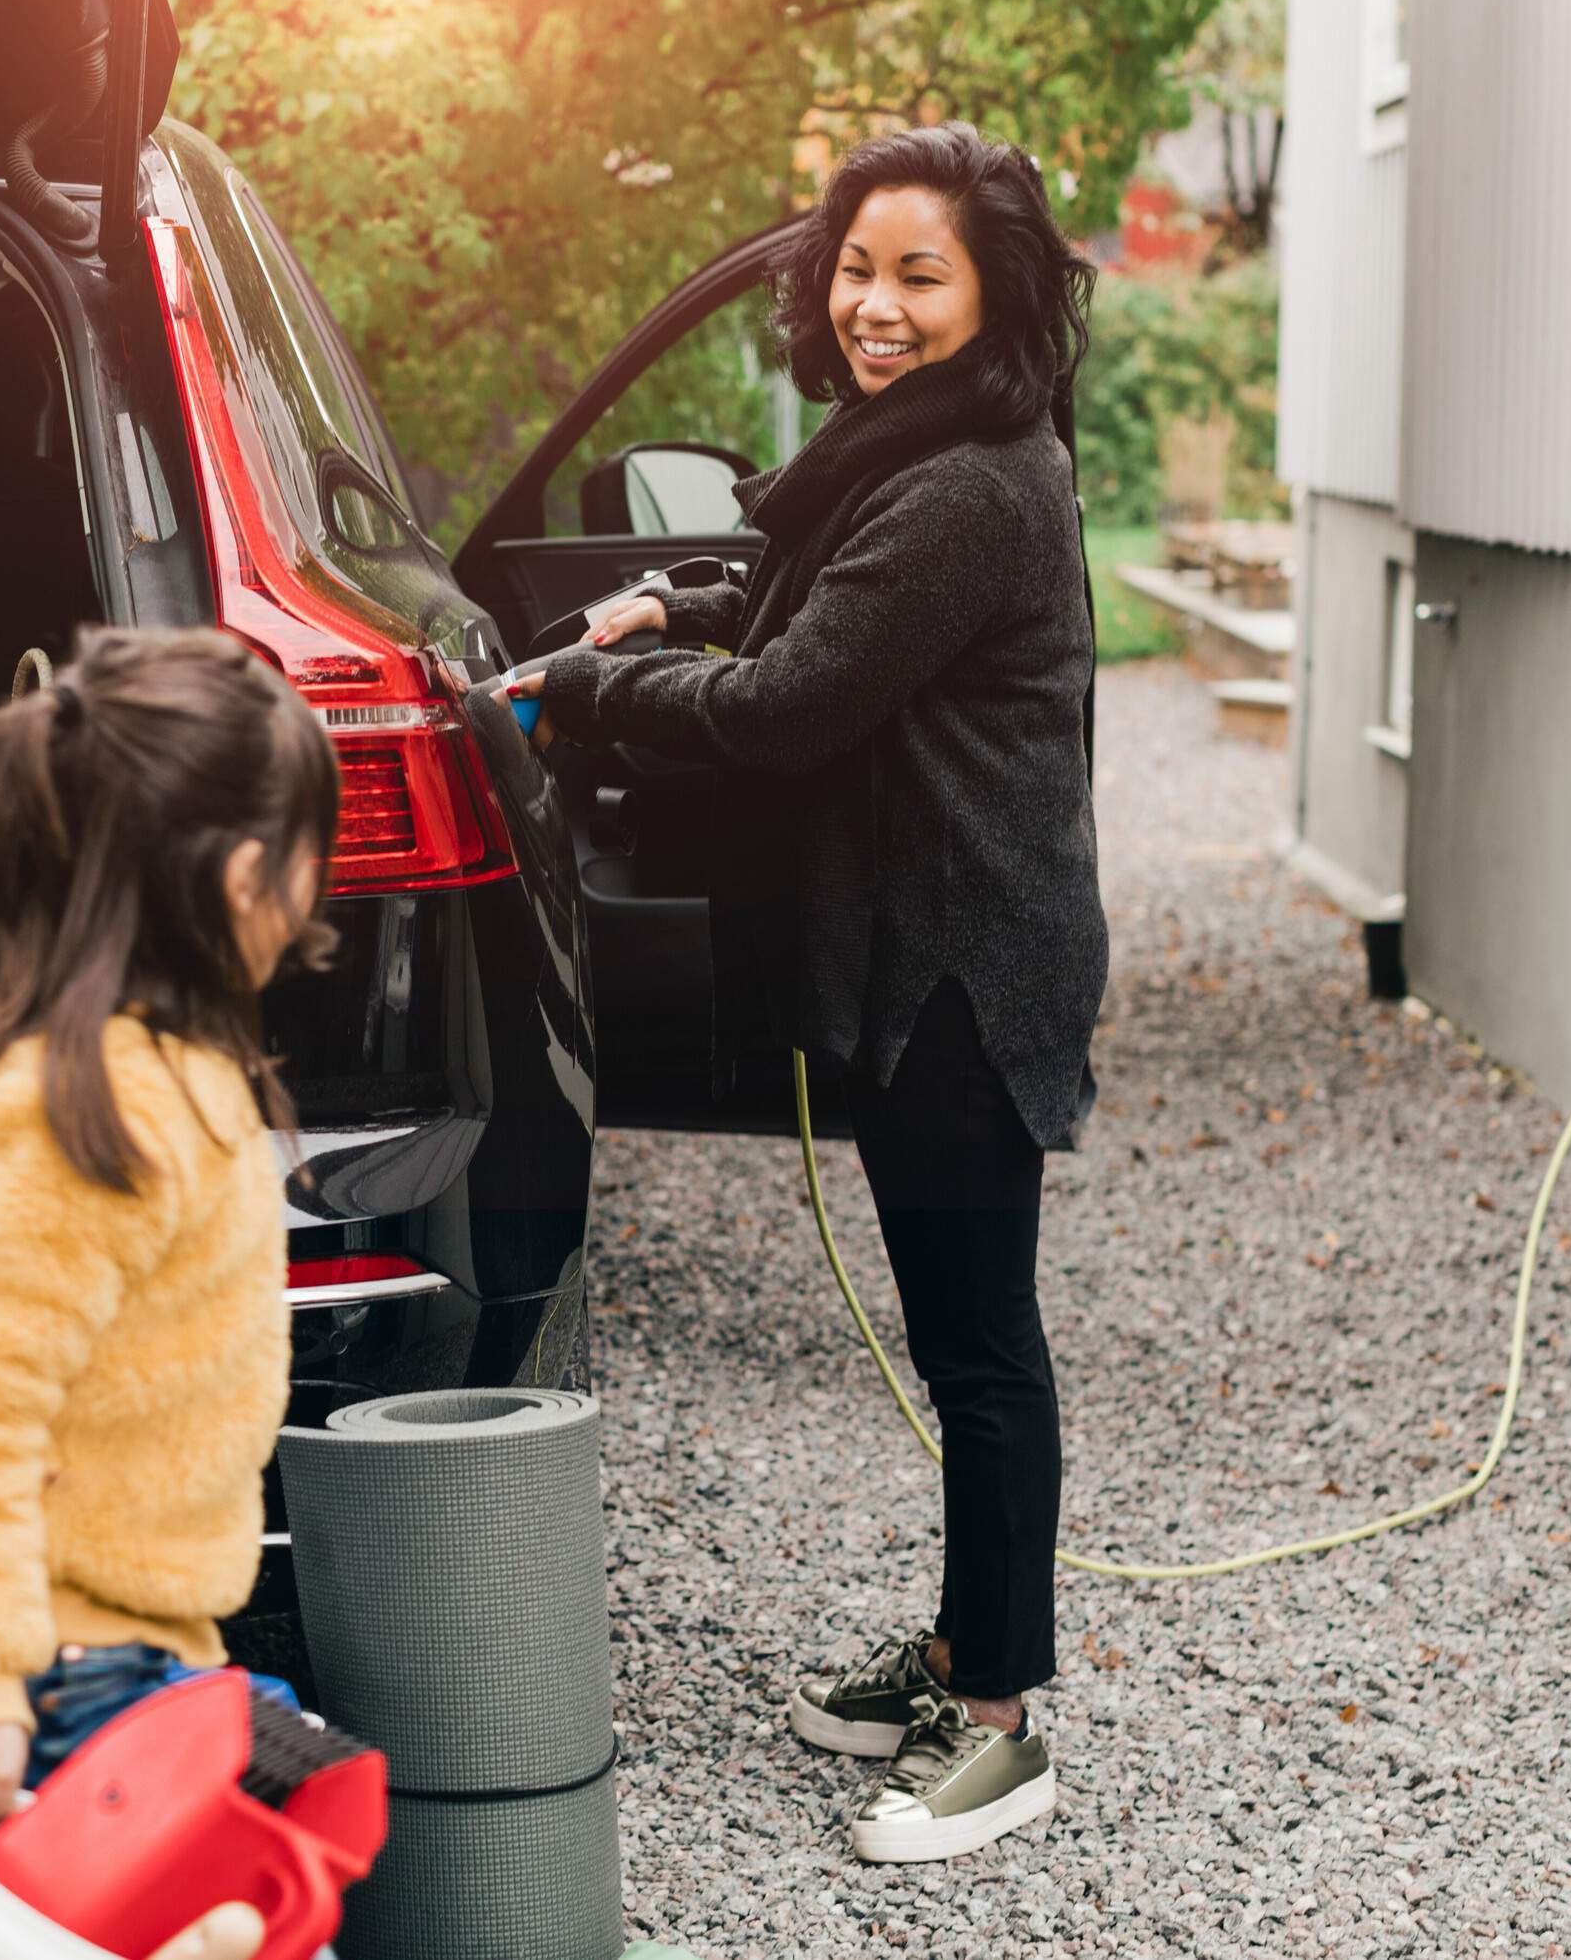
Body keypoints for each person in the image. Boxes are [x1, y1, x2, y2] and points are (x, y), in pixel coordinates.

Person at [504, 123, 1105, 1865]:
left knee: (984, 1355)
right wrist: (656, 605)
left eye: (921, 272)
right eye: (857, 266)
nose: (877, 303)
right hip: (920, 951)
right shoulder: (905, 454)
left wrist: (597, 695)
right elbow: (791, 596)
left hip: (963, 972)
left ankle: (1000, 1726)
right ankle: (951, 1656)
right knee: (956, 1337)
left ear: (990, 290)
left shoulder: (973, 483)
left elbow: (783, 702)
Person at [0, 629, 336, 1906]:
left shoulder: (151, 1076)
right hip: (69, 1675)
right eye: (307, 860)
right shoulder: (80, 1112)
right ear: (241, 879)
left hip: (134, 1652)